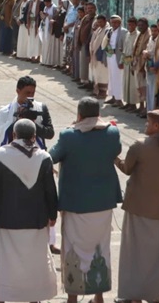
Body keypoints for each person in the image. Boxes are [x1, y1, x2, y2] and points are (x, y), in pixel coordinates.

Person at [50, 97, 121, 303]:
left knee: (73, 250)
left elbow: (51, 157)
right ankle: (98, 297)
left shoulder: (69, 136)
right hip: (102, 203)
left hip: (75, 204)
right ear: (98, 114)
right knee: (101, 248)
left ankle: (73, 297)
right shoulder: (112, 133)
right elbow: (115, 151)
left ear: (79, 115)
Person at [0, 118, 58, 303]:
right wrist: (53, 215)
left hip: (7, 219)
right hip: (36, 219)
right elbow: (50, 190)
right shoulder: (44, 157)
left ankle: (2, 298)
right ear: (34, 136)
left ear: (14, 135)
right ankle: (34, 298)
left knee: (7, 263)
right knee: (35, 261)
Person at [115, 110, 159, 303]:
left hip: (137, 207)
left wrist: (114, 158)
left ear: (156, 126)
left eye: (148, 122)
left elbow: (126, 168)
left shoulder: (139, 146)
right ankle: (153, 296)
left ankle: (133, 295)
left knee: (133, 253)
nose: (145, 125)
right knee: (155, 256)